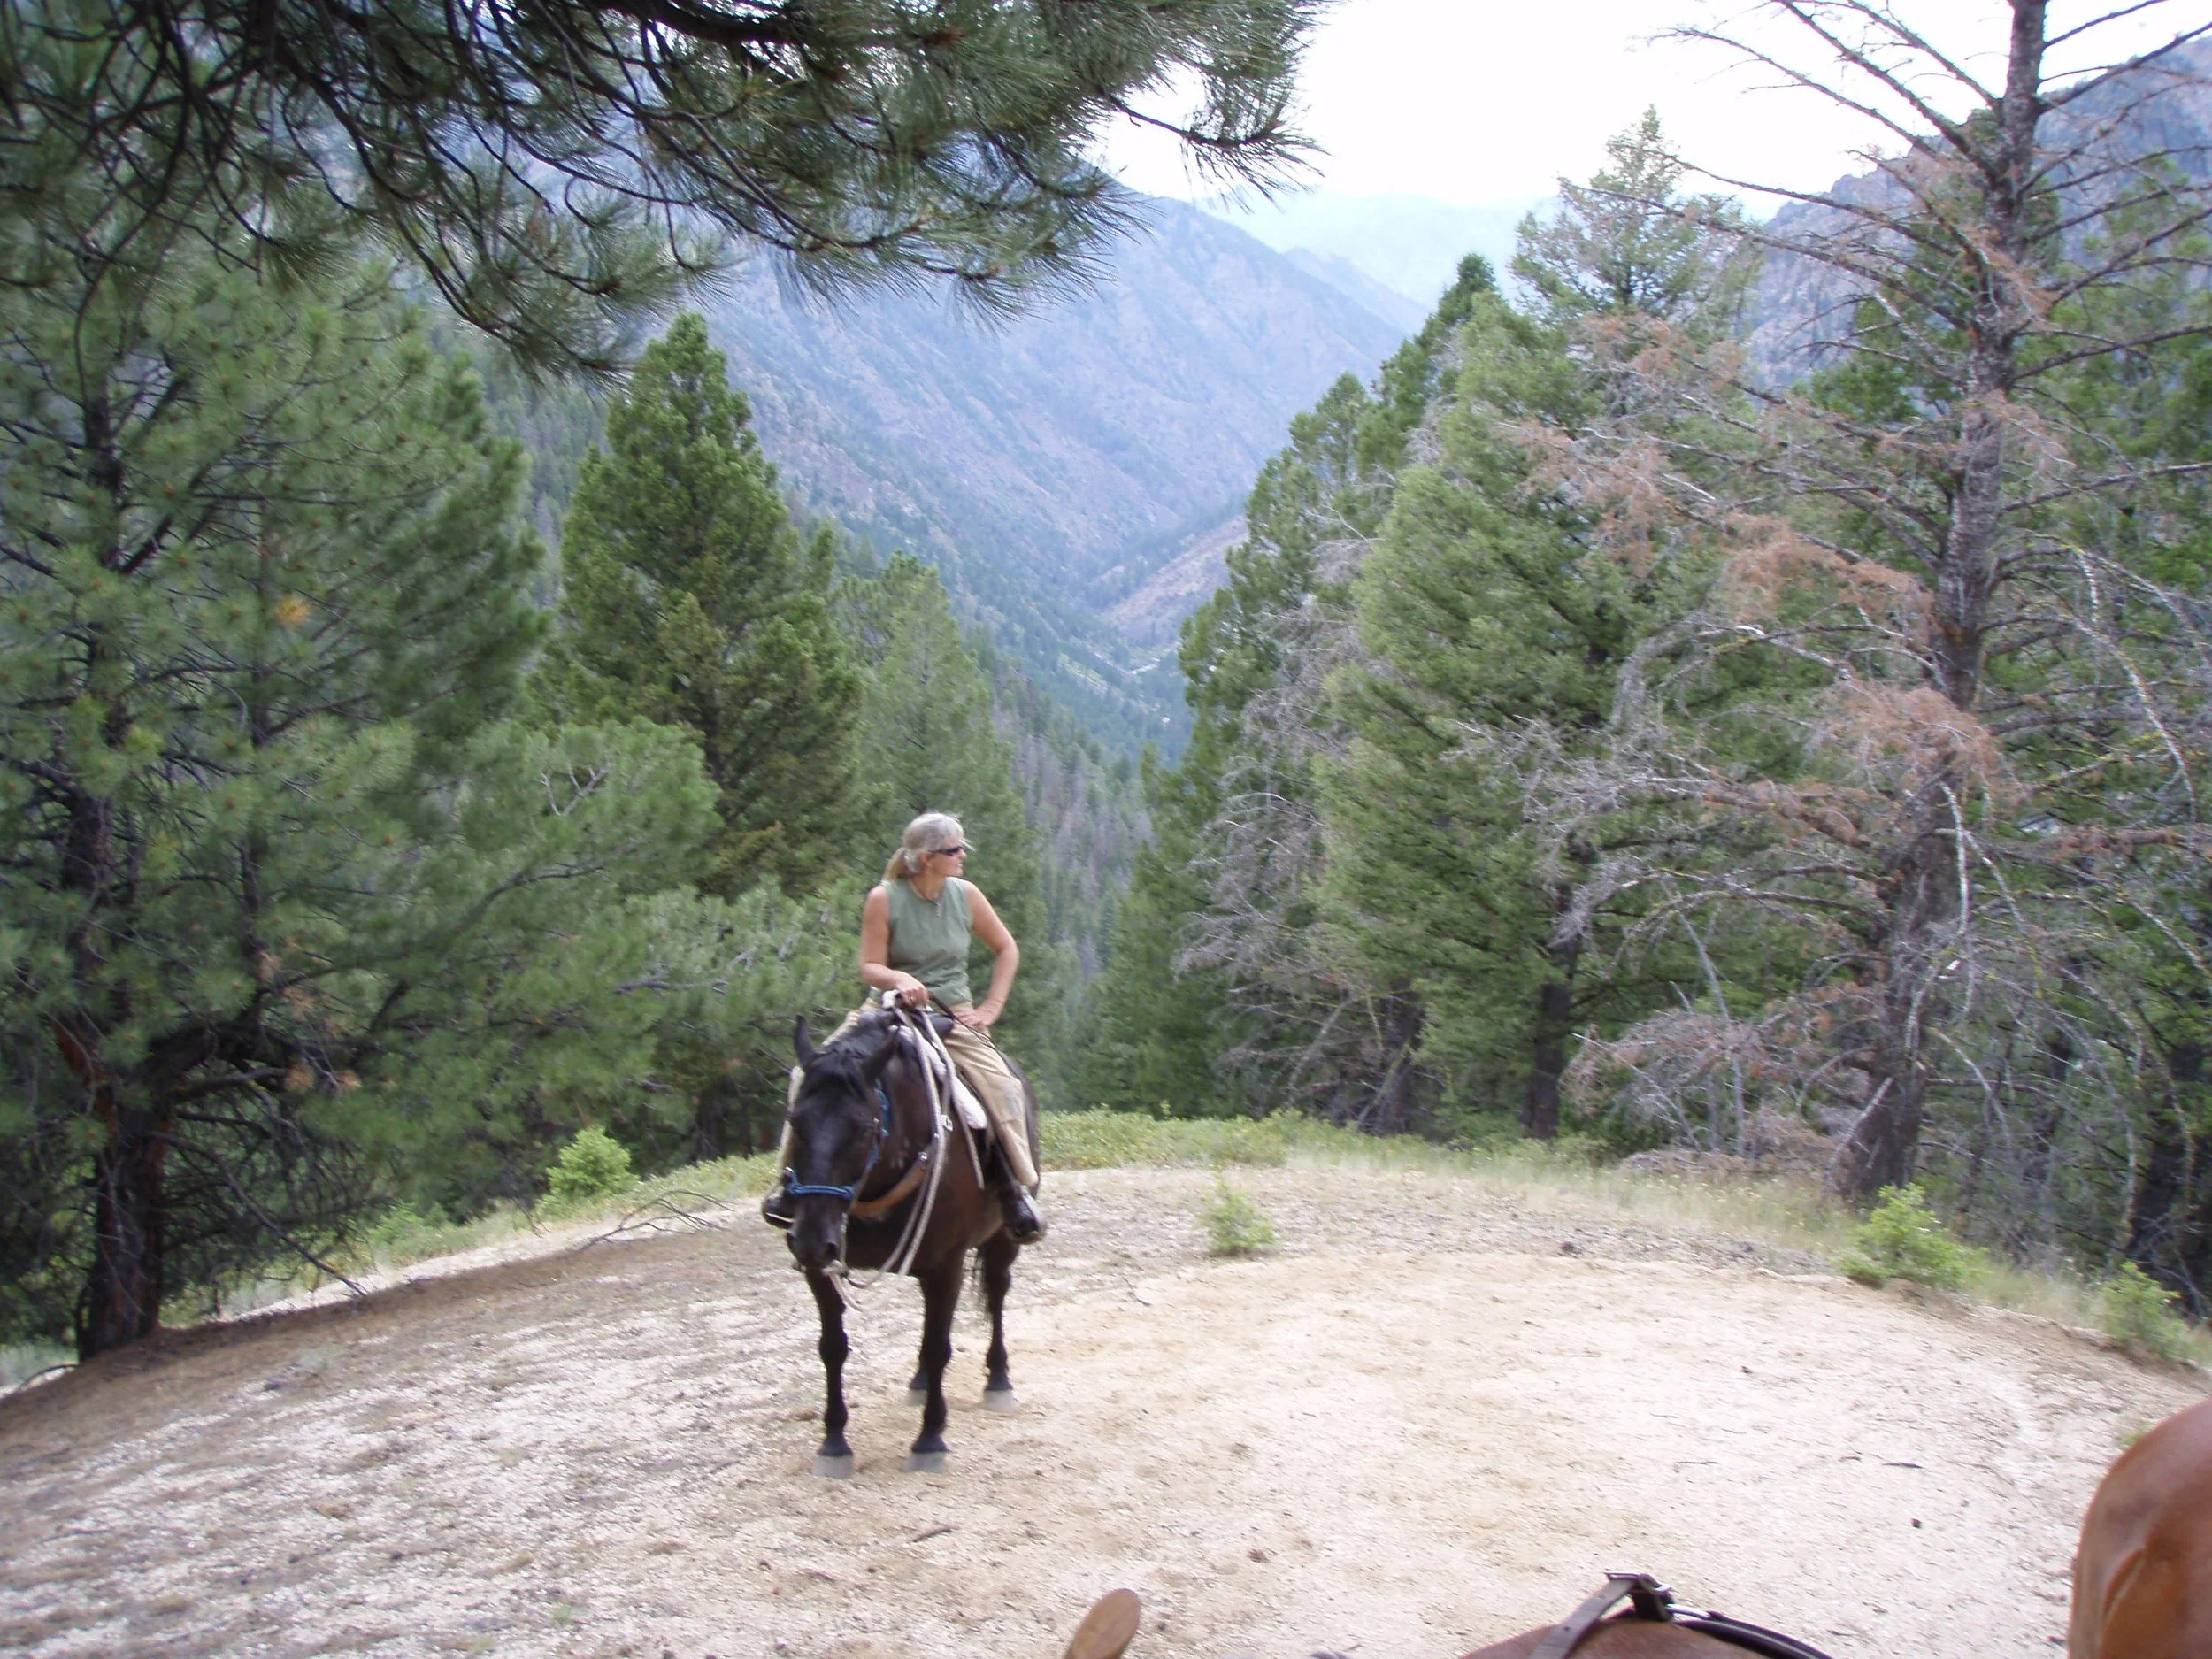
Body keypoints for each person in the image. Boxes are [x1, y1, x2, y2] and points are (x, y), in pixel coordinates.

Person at [764, 811, 1044, 1240]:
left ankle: (1014, 1189)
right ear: (928, 857)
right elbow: (870, 966)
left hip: (952, 1014)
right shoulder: (884, 898)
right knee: (808, 1075)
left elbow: (1007, 948)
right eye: (955, 850)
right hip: (886, 1010)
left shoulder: (966, 895)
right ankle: (788, 1183)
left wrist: (990, 1008)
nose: (963, 855)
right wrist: (900, 979)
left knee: (1002, 1086)